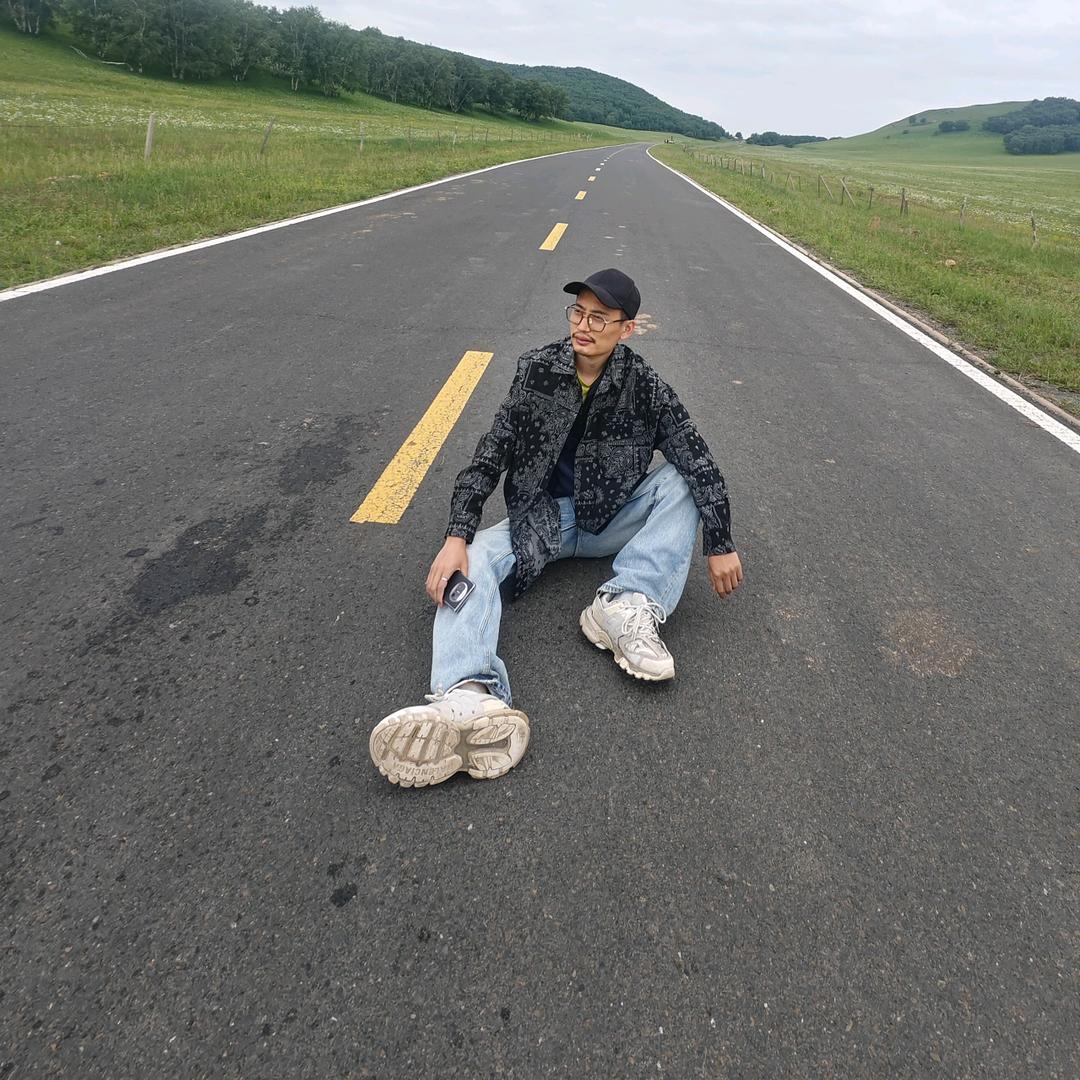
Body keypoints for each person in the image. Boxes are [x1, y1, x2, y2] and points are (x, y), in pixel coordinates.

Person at [369, 269, 743, 788]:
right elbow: (489, 455)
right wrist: (457, 535)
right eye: (577, 313)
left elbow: (701, 461)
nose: (583, 327)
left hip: (613, 518)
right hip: (541, 523)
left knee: (681, 480)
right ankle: (467, 695)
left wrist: (720, 542)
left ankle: (625, 603)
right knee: (471, 563)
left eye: (598, 318)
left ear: (626, 329)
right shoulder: (537, 372)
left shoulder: (647, 390)